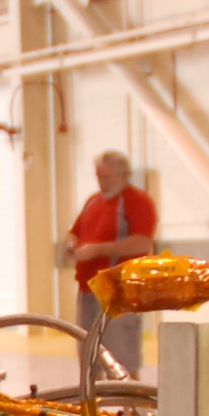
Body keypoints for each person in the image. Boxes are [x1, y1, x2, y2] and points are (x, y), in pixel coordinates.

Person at [63, 149, 158, 375]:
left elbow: (142, 243)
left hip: (118, 290)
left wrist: (98, 250)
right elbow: (74, 232)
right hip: (88, 288)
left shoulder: (137, 201)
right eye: (98, 176)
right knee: (88, 354)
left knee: (122, 356)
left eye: (106, 177)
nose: (101, 182)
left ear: (123, 175)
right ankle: (92, 406)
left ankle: (129, 408)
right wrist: (72, 243)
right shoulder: (93, 202)